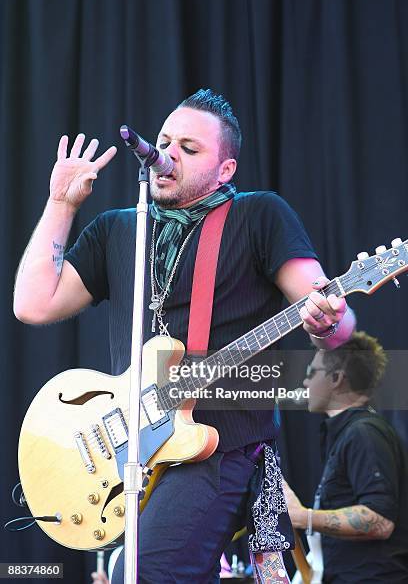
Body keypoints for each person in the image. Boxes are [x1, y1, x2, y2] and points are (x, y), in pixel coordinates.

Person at [14, 89, 355, 583]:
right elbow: (32, 303)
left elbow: (332, 313)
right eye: (165, 141)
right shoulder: (119, 229)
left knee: (152, 570)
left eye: (189, 149)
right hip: (133, 443)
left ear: (225, 171)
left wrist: (329, 320)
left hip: (219, 445)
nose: (167, 154)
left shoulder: (259, 216)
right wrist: (61, 204)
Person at [283, 331, 408, 583]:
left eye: (311, 373)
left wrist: (303, 516)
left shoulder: (363, 433)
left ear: (336, 378)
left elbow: (380, 520)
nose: (305, 384)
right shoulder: (346, 434)